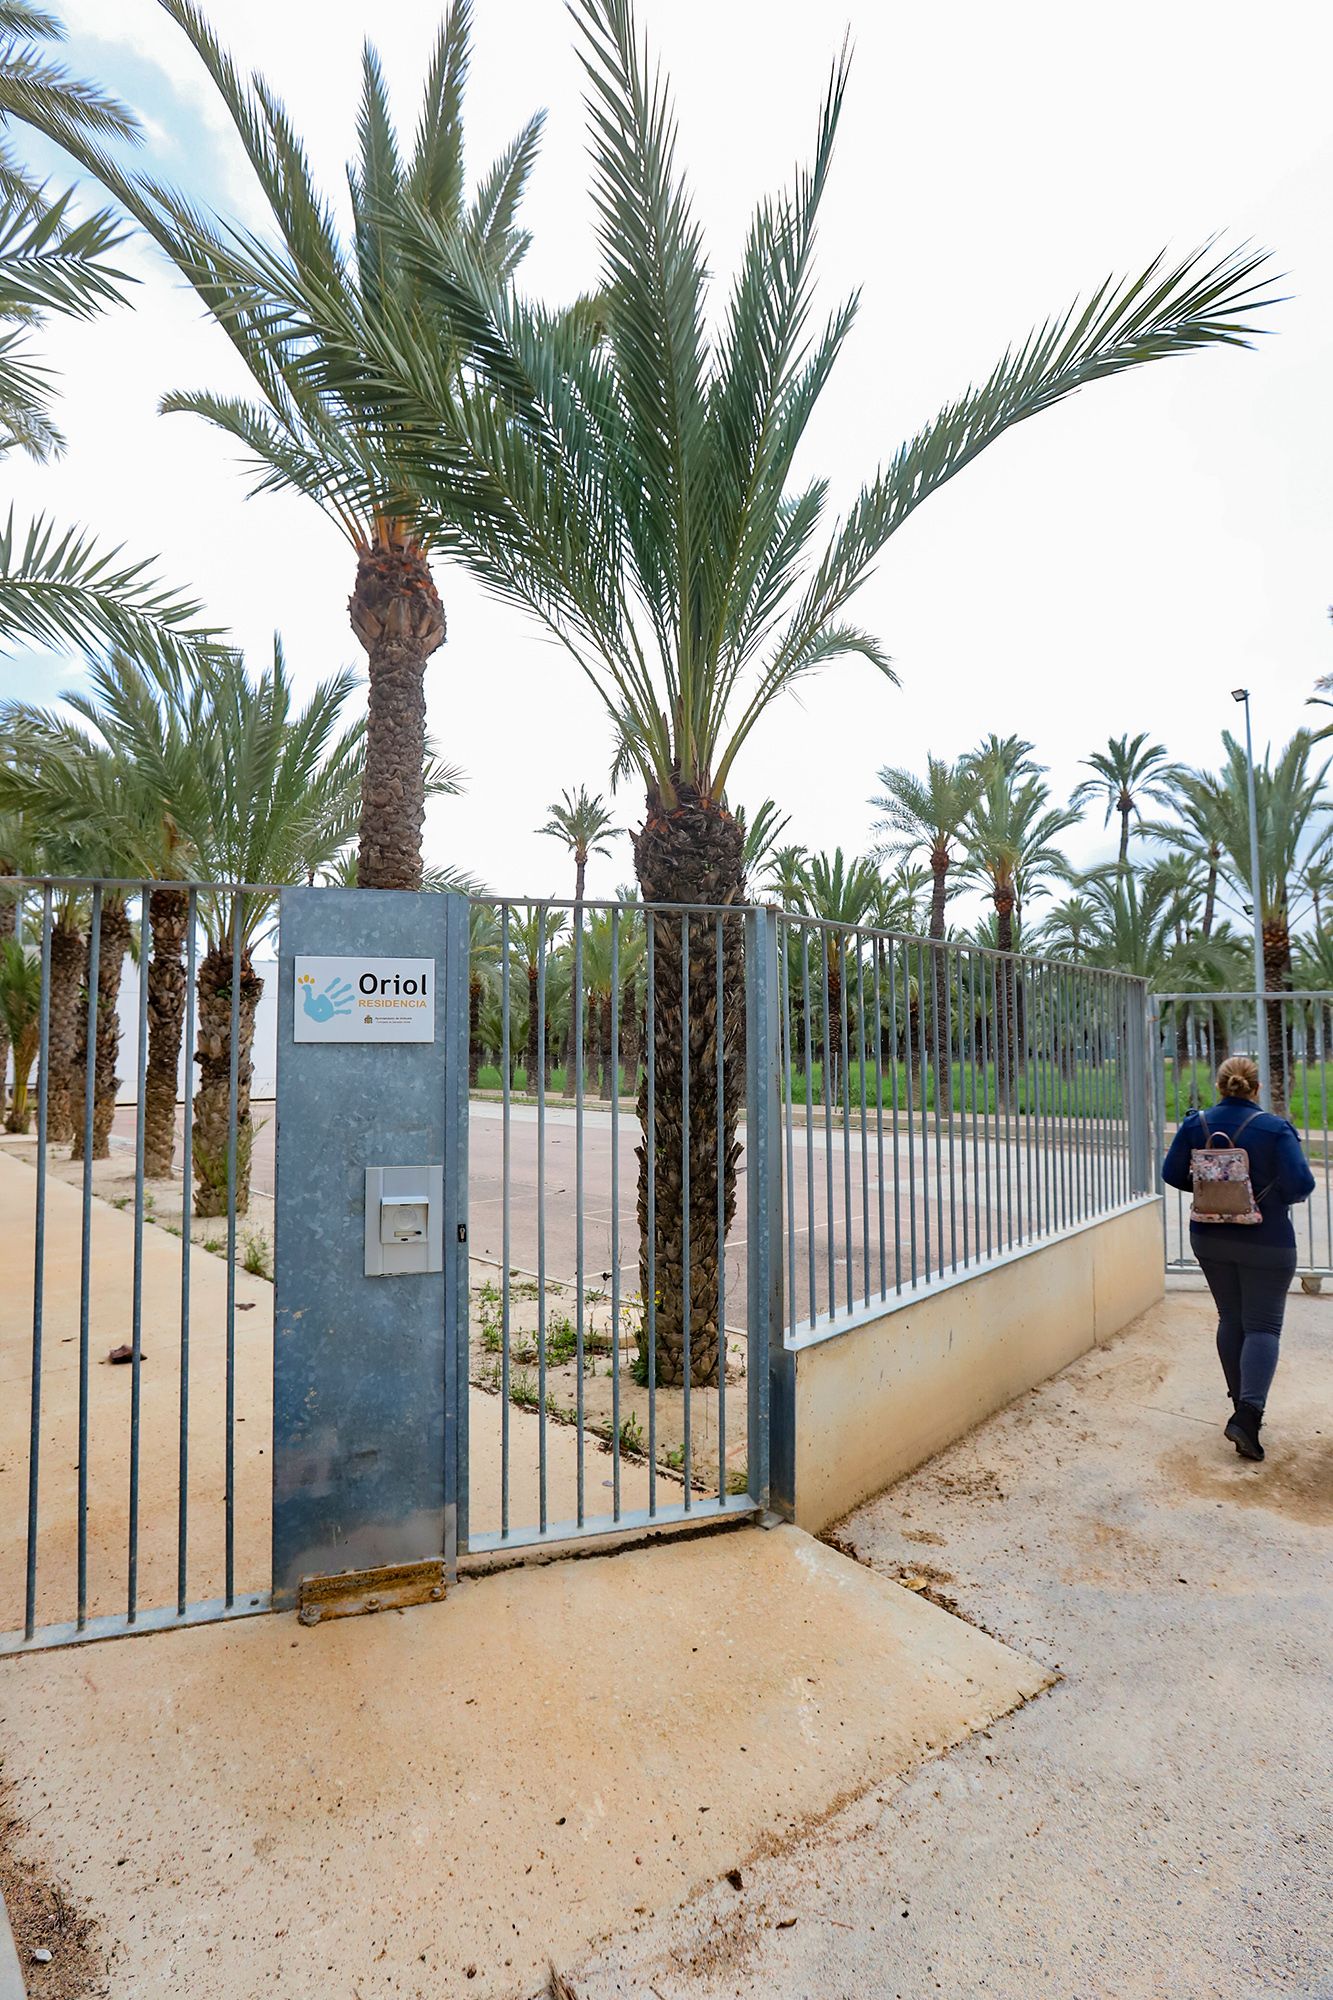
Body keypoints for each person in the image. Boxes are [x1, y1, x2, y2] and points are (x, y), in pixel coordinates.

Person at [1162, 1055, 1315, 1461]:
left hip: (1209, 1238)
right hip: (1267, 1239)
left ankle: (1240, 1406)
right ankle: (1248, 1415)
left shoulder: (1197, 1124)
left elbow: (1173, 1173)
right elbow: (1302, 1184)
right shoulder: (1275, 1128)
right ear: (1257, 1088)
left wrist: (1211, 1185)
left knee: (1231, 1318)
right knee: (1262, 1327)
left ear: (1219, 1085)